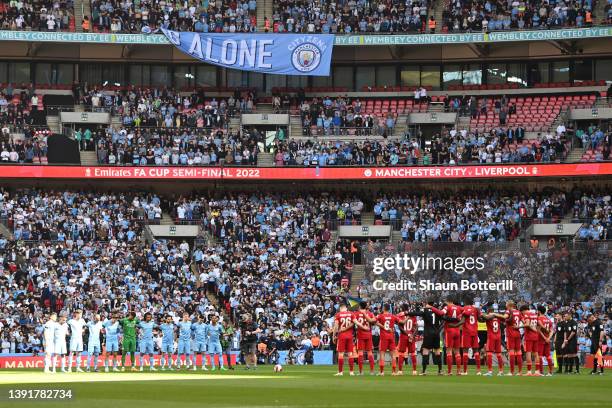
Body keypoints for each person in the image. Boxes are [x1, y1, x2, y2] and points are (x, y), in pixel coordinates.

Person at [408, 301, 445, 376]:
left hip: (428, 334)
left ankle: (424, 371)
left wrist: (407, 313)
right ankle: (440, 371)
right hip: (436, 334)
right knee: (437, 351)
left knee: (425, 351)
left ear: (428, 304)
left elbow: (416, 313)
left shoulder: (425, 310)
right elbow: (444, 320)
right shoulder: (437, 311)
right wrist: (439, 329)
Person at [432, 298, 463, 375]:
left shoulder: (447, 307)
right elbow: (463, 315)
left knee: (449, 351)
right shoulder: (459, 308)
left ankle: (449, 371)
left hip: (449, 330)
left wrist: (432, 308)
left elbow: (441, 313)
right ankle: (458, 371)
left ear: (449, 301)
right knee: (457, 352)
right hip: (457, 330)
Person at [495, 301, 523, 375]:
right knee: (519, 352)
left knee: (511, 352)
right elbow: (524, 322)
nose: (505, 305)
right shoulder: (518, 312)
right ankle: (520, 372)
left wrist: (495, 314)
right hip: (517, 333)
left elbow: (504, 317)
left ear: (508, 305)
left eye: (506, 304)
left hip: (510, 333)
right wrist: (519, 327)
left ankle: (511, 371)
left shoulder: (508, 311)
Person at [353, 301, 377, 375]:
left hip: (360, 335)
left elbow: (353, 323)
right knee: (370, 352)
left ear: (359, 306)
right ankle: (372, 371)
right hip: (368, 334)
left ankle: (361, 372)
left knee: (360, 353)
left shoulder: (356, 314)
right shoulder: (370, 313)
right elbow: (374, 321)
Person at [332, 303, 356, 376]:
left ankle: (340, 372)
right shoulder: (351, 314)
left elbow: (336, 327)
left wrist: (333, 335)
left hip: (341, 336)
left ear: (340, 308)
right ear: (346, 308)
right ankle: (351, 372)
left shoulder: (338, 315)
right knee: (350, 354)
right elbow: (353, 323)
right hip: (350, 336)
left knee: (341, 354)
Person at [376, 304, 399, 376]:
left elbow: (374, 321)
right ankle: (394, 372)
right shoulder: (393, 316)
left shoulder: (380, 316)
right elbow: (400, 322)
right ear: (389, 309)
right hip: (391, 336)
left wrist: (382, 326)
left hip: (384, 337)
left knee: (382, 354)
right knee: (393, 355)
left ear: (384, 308)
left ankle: (382, 372)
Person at [460, 298, 481, 375]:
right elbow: (480, 319)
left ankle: (465, 371)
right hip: (474, 331)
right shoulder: (476, 309)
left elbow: (462, 320)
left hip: (467, 332)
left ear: (466, 302)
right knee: (476, 351)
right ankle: (478, 371)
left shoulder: (464, 308)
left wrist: (455, 325)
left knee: (465, 351)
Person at [396, 303, 418, 376]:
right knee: (413, 353)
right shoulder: (412, 315)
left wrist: (407, 334)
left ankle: (400, 371)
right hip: (411, 336)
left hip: (404, 336)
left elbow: (400, 327)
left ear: (402, 308)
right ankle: (414, 371)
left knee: (401, 353)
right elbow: (416, 327)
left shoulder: (400, 315)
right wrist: (412, 335)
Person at [482, 310, 504, 376]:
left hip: (491, 337)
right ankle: (501, 371)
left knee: (489, 354)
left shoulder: (488, 318)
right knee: (499, 354)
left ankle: (490, 371)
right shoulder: (498, 318)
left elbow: (482, 317)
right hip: (498, 337)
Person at [520, 304, 540, 376]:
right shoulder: (535, 315)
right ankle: (537, 371)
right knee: (536, 353)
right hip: (536, 336)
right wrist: (536, 331)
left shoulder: (526, 314)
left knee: (528, 352)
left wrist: (518, 327)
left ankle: (529, 371)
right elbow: (538, 325)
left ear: (524, 310)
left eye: (522, 312)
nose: (522, 313)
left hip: (529, 336)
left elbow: (527, 324)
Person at [536, 305, 554, 376]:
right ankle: (550, 372)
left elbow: (539, 330)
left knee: (539, 356)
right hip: (547, 340)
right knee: (548, 356)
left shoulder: (539, 319)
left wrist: (545, 338)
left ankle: (541, 372)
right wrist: (548, 338)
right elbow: (552, 331)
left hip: (541, 340)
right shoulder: (548, 320)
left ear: (539, 311)